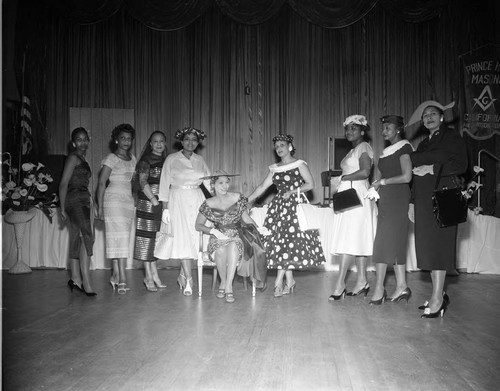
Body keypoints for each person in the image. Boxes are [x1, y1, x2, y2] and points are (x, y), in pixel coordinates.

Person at [408, 101, 467, 318]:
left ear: (442, 117)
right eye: (425, 116)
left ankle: (437, 298)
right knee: (428, 248)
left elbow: (461, 165)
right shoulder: (423, 145)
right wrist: (412, 202)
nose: (429, 117)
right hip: (423, 200)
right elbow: (414, 175)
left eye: (433, 114)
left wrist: (432, 168)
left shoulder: (452, 137)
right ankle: (438, 293)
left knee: (440, 246)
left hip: (444, 196)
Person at [248, 134, 325, 297]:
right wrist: (245, 200)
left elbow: (310, 184)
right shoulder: (274, 168)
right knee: (281, 244)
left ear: (290, 147)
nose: (279, 148)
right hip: (278, 208)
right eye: (277, 147)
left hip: (294, 207)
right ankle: (289, 281)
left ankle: (278, 282)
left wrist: (293, 191)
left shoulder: (299, 164)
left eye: (282, 145)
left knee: (288, 243)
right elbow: (262, 187)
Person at [195, 170, 264, 303]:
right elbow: (198, 225)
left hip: (237, 235)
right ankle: (224, 282)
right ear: (213, 185)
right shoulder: (208, 203)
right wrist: (213, 232)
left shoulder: (237, 198)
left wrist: (259, 228)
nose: (225, 186)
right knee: (220, 249)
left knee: (233, 245)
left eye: (227, 182)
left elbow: (246, 218)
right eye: (221, 183)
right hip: (218, 236)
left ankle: (228, 286)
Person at [329, 115, 377, 300]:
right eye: (347, 128)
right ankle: (362, 281)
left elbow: (365, 172)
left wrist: (342, 178)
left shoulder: (364, 147)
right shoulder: (354, 150)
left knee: (349, 238)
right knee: (356, 238)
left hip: (357, 194)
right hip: (349, 195)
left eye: (354, 128)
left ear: (363, 131)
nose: (349, 132)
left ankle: (340, 283)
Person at [158, 127, 211, 296]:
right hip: (177, 200)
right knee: (182, 239)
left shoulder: (200, 160)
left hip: (196, 198)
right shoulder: (172, 159)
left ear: (198, 143)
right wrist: (165, 208)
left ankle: (182, 274)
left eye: (194, 140)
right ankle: (189, 279)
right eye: (187, 139)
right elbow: (164, 183)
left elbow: (209, 183)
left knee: (195, 238)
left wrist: (220, 199)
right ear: (181, 141)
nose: (190, 143)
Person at [367, 115, 413, 305]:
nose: (384, 131)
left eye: (388, 128)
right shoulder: (385, 151)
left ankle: (379, 287)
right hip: (386, 199)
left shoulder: (405, 147)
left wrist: (382, 182)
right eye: (383, 128)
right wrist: (374, 186)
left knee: (383, 242)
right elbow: (379, 176)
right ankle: (402, 285)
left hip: (398, 197)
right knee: (396, 242)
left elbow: (407, 176)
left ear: (399, 129)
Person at [96, 123, 137, 295]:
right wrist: (99, 207)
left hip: (127, 202)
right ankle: (122, 278)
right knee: (118, 238)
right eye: (123, 138)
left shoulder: (133, 159)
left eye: (129, 138)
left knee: (122, 238)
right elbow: (101, 183)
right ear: (116, 140)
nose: (126, 141)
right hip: (112, 201)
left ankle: (115, 275)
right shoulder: (111, 158)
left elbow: (134, 183)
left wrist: (134, 201)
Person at [59, 127, 96, 297]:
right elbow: (63, 183)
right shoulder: (73, 157)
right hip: (74, 200)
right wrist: (62, 207)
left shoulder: (81, 158)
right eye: (79, 140)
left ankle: (75, 278)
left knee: (76, 237)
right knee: (87, 236)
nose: (83, 142)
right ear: (73, 142)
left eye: (85, 139)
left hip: (83, 199)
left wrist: (91, 201)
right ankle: (86, 281)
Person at [133, 131, 168, 292]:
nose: (159, 144)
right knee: (146, 238)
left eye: (161, 141)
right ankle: (148, 276)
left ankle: (155, 274)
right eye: (155, 141)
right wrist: (153, 199)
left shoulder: (167, 160)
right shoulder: (145, 160)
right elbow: (142, 181)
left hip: (161, 203)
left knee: (155, 239)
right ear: (150, 144)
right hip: (148, 201)